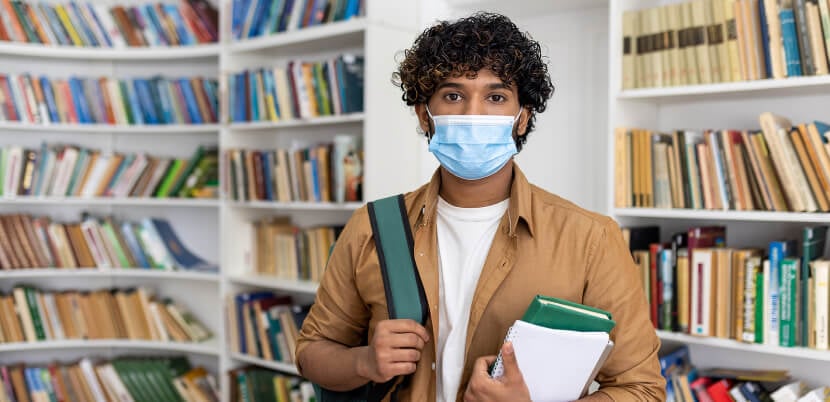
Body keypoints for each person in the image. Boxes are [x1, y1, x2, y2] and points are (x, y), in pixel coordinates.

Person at [296, 12, 666, 402]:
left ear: (522, 118)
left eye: (496, 97)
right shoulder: (371, 227)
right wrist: (364, 363)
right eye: (453, 95)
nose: (474, 113)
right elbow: (311, 353)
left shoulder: (591, 239)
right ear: (426, 115)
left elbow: (641, 389)